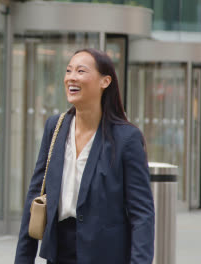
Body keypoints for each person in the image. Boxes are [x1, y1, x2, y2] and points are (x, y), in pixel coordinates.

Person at [15, 48, 155, 264]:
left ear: (104, 81)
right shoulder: (56, 127)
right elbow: (35, 194)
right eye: (69, 70)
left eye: (81, 71)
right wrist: (23, 259)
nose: (71, 77)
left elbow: (142, 214)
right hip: (59, 253)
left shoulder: (126, 138)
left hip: (106, 255)